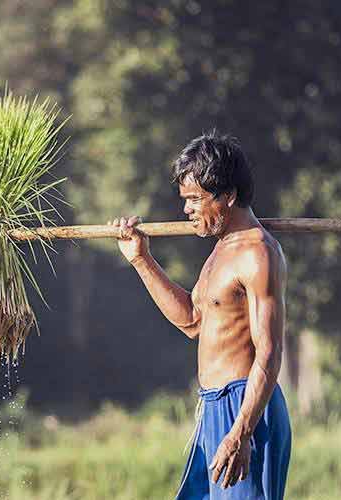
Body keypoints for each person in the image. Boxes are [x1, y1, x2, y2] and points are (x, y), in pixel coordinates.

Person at [110, 132, 292, 499]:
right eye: (185, 200)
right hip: (212, 406)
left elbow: (269, 354)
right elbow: (193, 321)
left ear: (228, 196)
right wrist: (141, 260)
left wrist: (241, 432)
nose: (186, 210)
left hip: (244, 407)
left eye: (195, 199)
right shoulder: (222, 248)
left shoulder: (257, 253)